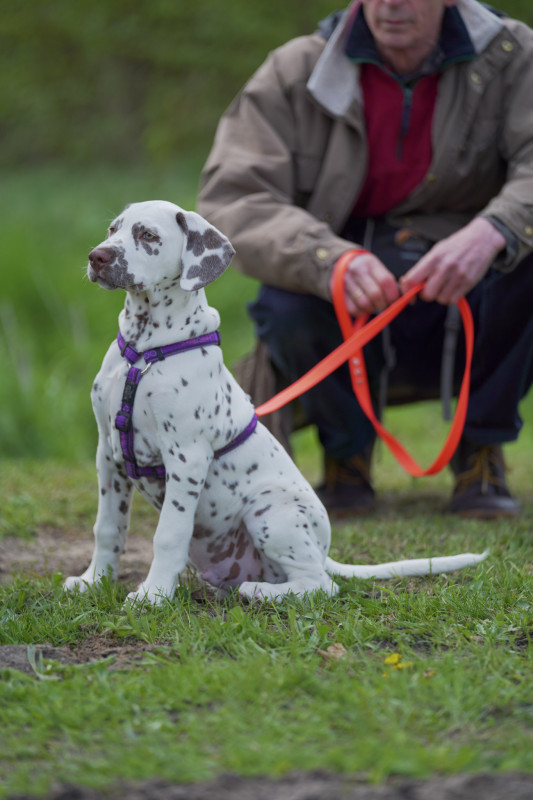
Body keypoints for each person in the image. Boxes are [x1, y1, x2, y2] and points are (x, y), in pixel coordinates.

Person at [197, 0, 533, 518]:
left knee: (526, 257)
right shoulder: (293, 69)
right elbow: (233, 198)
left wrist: (494, 230)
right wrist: (328, 259)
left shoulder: (514, 55)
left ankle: (481, 452)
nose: (390, 4)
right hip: (347, 287)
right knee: (287, 295)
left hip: (472, 279)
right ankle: (345, 459)